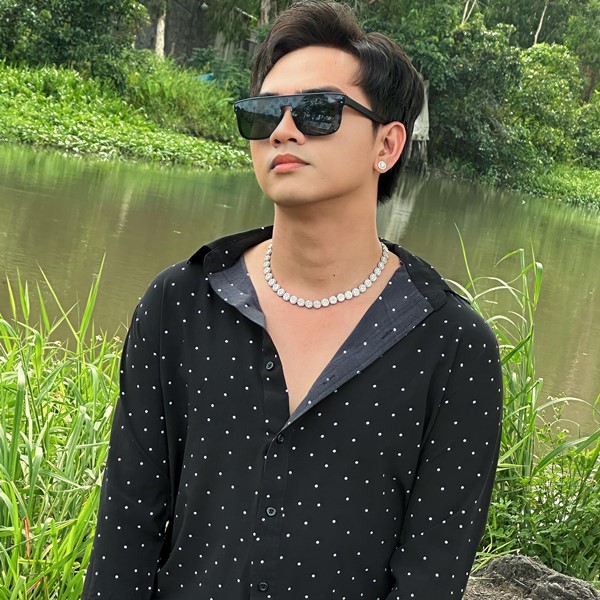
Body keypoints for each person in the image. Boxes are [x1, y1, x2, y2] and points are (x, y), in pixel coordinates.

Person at [81, 2, 503, 599]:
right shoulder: (179, 305)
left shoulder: (453, 348)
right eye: (263, 113)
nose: (283, 130)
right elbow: (126, 537)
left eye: (316, 111)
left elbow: (431, 576)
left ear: (387, 144)